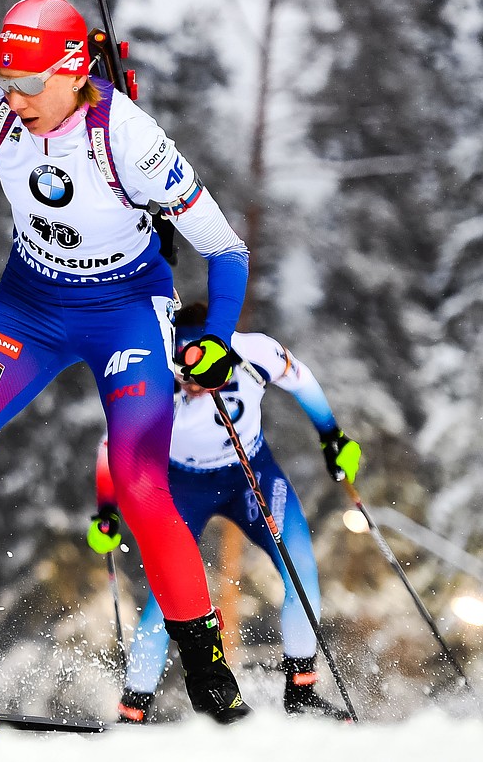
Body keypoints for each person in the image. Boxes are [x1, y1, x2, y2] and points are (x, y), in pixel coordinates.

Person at [0, 0, 253, 723]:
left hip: (126, 311)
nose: (16, 97)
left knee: (137, 482)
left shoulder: (129, 137)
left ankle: (206, 667)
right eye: (6, 78)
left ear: (74, 72)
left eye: (31, 84)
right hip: (27, 306)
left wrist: (218, 338)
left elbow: (226, 249)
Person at [88, 301, 362, 723]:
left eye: (197, 368)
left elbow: (302, 379)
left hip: (250, 472)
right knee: (164, 601)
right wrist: (107, 511)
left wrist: (332, 435)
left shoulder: (252, 352)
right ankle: (133, 711)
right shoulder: (152, 370)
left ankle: (301, 693)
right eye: (181, 368)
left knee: (301, 572)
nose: (189, 380)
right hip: (180, 486)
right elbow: (110, 446)